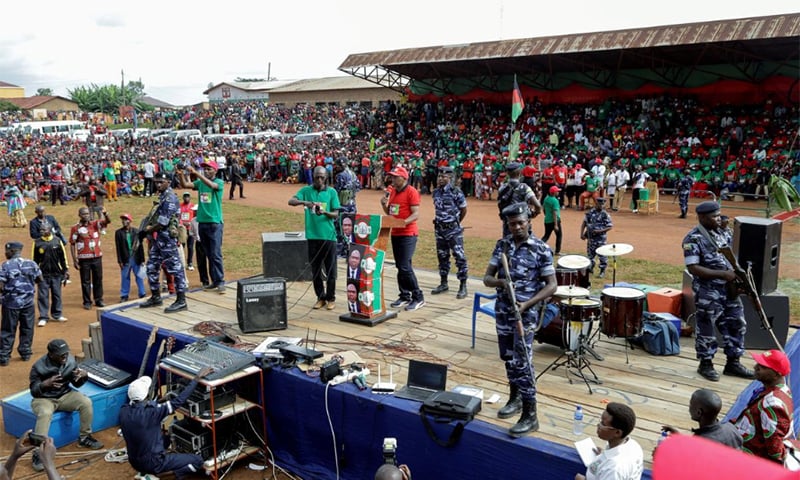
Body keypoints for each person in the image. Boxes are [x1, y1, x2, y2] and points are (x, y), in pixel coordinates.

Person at [483, 203, 557, 436]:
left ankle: (530, 413)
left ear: (529, 222)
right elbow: (487, 277)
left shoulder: (541, 249)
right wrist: (501, 283)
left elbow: (552, 285)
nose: (516, 227)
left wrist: (526, 304)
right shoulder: (502, 245)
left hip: (525, 314)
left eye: (520, 223)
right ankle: (514, 398)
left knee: (523, 361)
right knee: (508, 357)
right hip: (504, 310)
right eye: (512, 223)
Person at [682, 201, 753, 382]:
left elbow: (730, 257)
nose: (719, 219)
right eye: (714, 216)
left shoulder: (723, 232)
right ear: (703, 218)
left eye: (719, 215)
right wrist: (722, 274)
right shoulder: (693, 239)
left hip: (728, 289)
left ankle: (733, 362)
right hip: (708, 291)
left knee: (737, 322)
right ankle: (705, 363)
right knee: (707, 326)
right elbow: (693, 268)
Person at [119, 367, 213, 480]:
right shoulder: (153, 413)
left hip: (135, 462)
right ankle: (160, 476)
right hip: (154, 463)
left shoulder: (124, 411)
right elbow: (179, 401)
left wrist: (160, 401)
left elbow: (144, 406)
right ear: (147, 395)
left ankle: (144, 473)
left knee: (166, 438)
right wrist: (197, 378)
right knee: (198, 461)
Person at [29, 339, 103, 471]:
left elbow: (76, 384)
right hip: (44, 399)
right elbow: (34, 391)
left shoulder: (70, 361)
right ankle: (39, 452)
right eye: (61, 354)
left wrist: (83, 376)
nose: (65, 356)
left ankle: (84, 437)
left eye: (66, 353)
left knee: (85, 402)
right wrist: (45, 384)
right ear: (51, 355)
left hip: (65, 395)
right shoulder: (38, 366)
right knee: (45, 413)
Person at [288, 166, 340, 310]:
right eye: (317, 177)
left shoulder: (331, 192)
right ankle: (320, 297)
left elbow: (336, 214)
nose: (319, 179)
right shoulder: (306, 191)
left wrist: (325, 212)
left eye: (322, 177)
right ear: (313, 176)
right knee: (315, 269)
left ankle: (331, 298)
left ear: (326, 177)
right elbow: (290, 201)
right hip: (312, 236)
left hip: (329, 237)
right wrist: (305, 202)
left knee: (330, 270)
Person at [139, 173, 189, 313]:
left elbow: (163, 222)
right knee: (152, 267)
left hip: (167, 240)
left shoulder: (170, 198)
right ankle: (156, 296)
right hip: (159, 240)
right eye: (156, 182)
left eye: (161, 182)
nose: (158, 185)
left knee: (175, 269)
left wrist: (148, 230)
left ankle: (181, 300)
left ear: (168, 181)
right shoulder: (162, 197)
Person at [733, 349, 793, 464]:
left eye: (763, 366)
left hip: (750, 458)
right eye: (758, 363)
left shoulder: (772, 403)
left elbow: (775, 449)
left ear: (776, 374)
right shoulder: (782, 389)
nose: (756, 367)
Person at [381, 166, 425, 312]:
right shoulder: (392, 191)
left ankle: (418, 297)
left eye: (395, 177)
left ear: (404, 178)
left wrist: (404, 222)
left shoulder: (411, 192)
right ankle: (405, 295)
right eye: (392, 176)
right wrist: (383, 205)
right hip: (396, 233)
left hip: (408, 233)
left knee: (405, 266)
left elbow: (416, 214)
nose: (392, 179)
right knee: (400, 266)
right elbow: (391, 212)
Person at [177, 160, 225, 293]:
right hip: (202, 222)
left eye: (209, 169)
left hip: (214, 222)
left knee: (216, 254)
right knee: (209, 254)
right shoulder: (200, 183)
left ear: (215, 170)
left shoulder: (219, 182)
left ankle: (221, 281)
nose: (207, 171)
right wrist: (180, 173)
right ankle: (214, 281)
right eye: (205, 169)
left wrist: (196, 173)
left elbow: (212, 185)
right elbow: (185, 184)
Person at [575, 402, 643, 480]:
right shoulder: (634, 445)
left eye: (603, 424)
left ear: (617, 433)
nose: (598, 425)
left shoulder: (614, 469)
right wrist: (603, 456)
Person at [0, 242, 43, 366]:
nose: (5, 253)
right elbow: (40, 279)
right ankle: (25, 353)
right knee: (27, 328)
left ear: (12, 251)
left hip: (11, 304)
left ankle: (4, 356)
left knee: (8, 330)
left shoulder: (6, 265)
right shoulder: (32, 263)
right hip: (28, 303)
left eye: (6, 251)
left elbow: (0, 285)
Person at [430, 166, 469, 299]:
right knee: (442, 256)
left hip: (453, 230)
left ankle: (463, 285)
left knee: (459, 257)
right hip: (439, 229)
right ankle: (443, 283)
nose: (440, 179)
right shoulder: (435, 192)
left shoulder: (456, 192)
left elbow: (463, 209)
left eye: (444, 177)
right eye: (439, 176)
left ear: (450, 178)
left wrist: (455, 222)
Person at [661, 388, 742, 449]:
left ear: (699, 412)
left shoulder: (701, 443)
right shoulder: (731, 428)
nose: (689, 407)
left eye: (691, 405)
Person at [69, 206, 110, 310]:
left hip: (97, 257)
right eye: (84, 214)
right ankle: (87, 302)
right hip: (83, 259)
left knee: (98, 279)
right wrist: (74, 260)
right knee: (85, 281)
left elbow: (107, 222)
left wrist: (105, 214)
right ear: (79, 215)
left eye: (87, 213)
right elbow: (72, 244)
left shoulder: (95, 224)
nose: (86, 216)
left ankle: (99, 299)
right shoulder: (75, 228)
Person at [32, 223, 69, 327]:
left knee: (57, 294)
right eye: (41, 230)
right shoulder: (37, 243)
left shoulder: (57, 241)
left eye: (44, 230)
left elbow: (63, 257)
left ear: (49, 230)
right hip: (43, 275)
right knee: (43, 296)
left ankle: (57, 314)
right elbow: (34, 260)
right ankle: (43, 316)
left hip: (56, 274)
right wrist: (35, 273)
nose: (42, 232)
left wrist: (66, 270)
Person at [496, 162, 542, 236]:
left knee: (508, 244)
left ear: (508, 173)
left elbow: (500, 204)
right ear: (520, 172)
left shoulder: (502, 188)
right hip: (521, 222)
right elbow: (537, 205)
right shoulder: (524, 187)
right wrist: (534, 214)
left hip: (508, 222)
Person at [114, 213, 146, 302]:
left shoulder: (136, 232)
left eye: (126, 219)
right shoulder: (118, 233)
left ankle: (142, 293)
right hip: (125, 258)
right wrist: (119, 261)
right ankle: (124, 295)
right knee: (125, 277)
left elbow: (140, 247)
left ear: (130, 221)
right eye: (123, 219)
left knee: (139, 276)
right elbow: (118, 247)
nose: (124, 221)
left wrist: (142, 260)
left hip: (136, 258)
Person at [580, 197, 612, 278]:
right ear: (596, 204)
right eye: (599, 204)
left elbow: (609, 226)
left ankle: (602, 271)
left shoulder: (605, 214)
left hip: (601, 239)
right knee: (590, 254)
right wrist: (582, 234)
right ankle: (590, 267)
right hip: (591, 238)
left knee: (602, 255)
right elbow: (584, 223)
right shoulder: (590, 212)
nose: (601, 206)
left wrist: (599, 231)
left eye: (602, 205)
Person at [541, 185, 562, 255]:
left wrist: (547, 216)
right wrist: (556, 224)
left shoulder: (546, 199)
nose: (558, 192)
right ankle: (557, 251)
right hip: (555, 221)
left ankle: (538, 247)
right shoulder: (555, 201)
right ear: (553, 193)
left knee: (546, 236)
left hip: (547, 221)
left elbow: (543, 209)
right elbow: (555, 213)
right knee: (559, 236)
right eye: (557, 191)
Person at [178, 192, 196, 270]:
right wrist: (183, 223)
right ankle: (182, 262)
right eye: (185, 197)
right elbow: (178, 217)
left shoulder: (193, 207)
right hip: (182, 229)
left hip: (190, 229)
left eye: (187, 197)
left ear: (190, 198)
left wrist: (191, 223)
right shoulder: (180, 206)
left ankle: (190, 263)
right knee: (182, 246)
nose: (186, 198)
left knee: (190, 246)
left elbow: (195, 216)